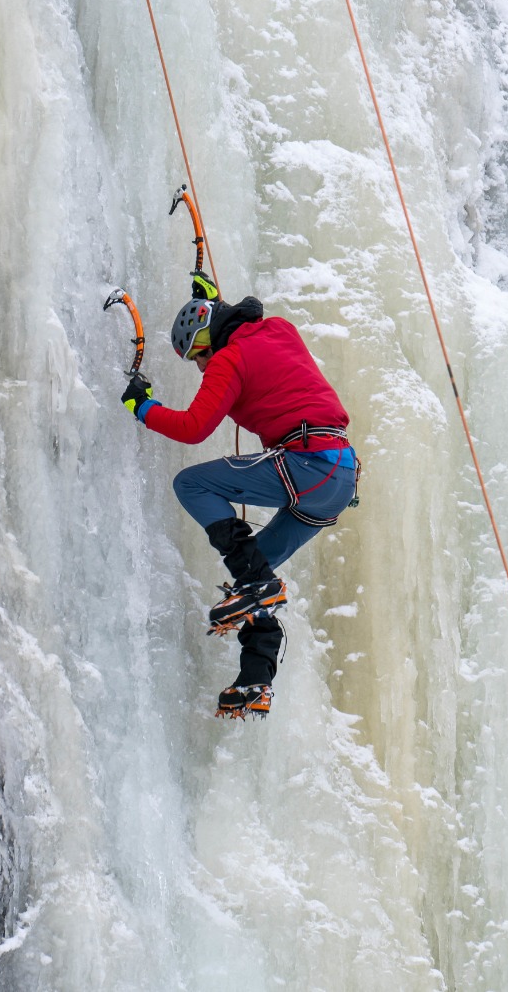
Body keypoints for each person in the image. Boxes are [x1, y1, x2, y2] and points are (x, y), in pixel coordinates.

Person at [121, 272, 359, 719]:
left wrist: (143, 407)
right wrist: (215, 301)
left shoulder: (228, 361)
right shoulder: (278, 329)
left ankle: (259, 593)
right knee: (253, 578)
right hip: (339, 479)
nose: (201, 365)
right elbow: (244, 325)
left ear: (210, 341)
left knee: (190, 484)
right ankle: (256, 680)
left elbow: (193, 429)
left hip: (307, 465)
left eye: (199, 354)